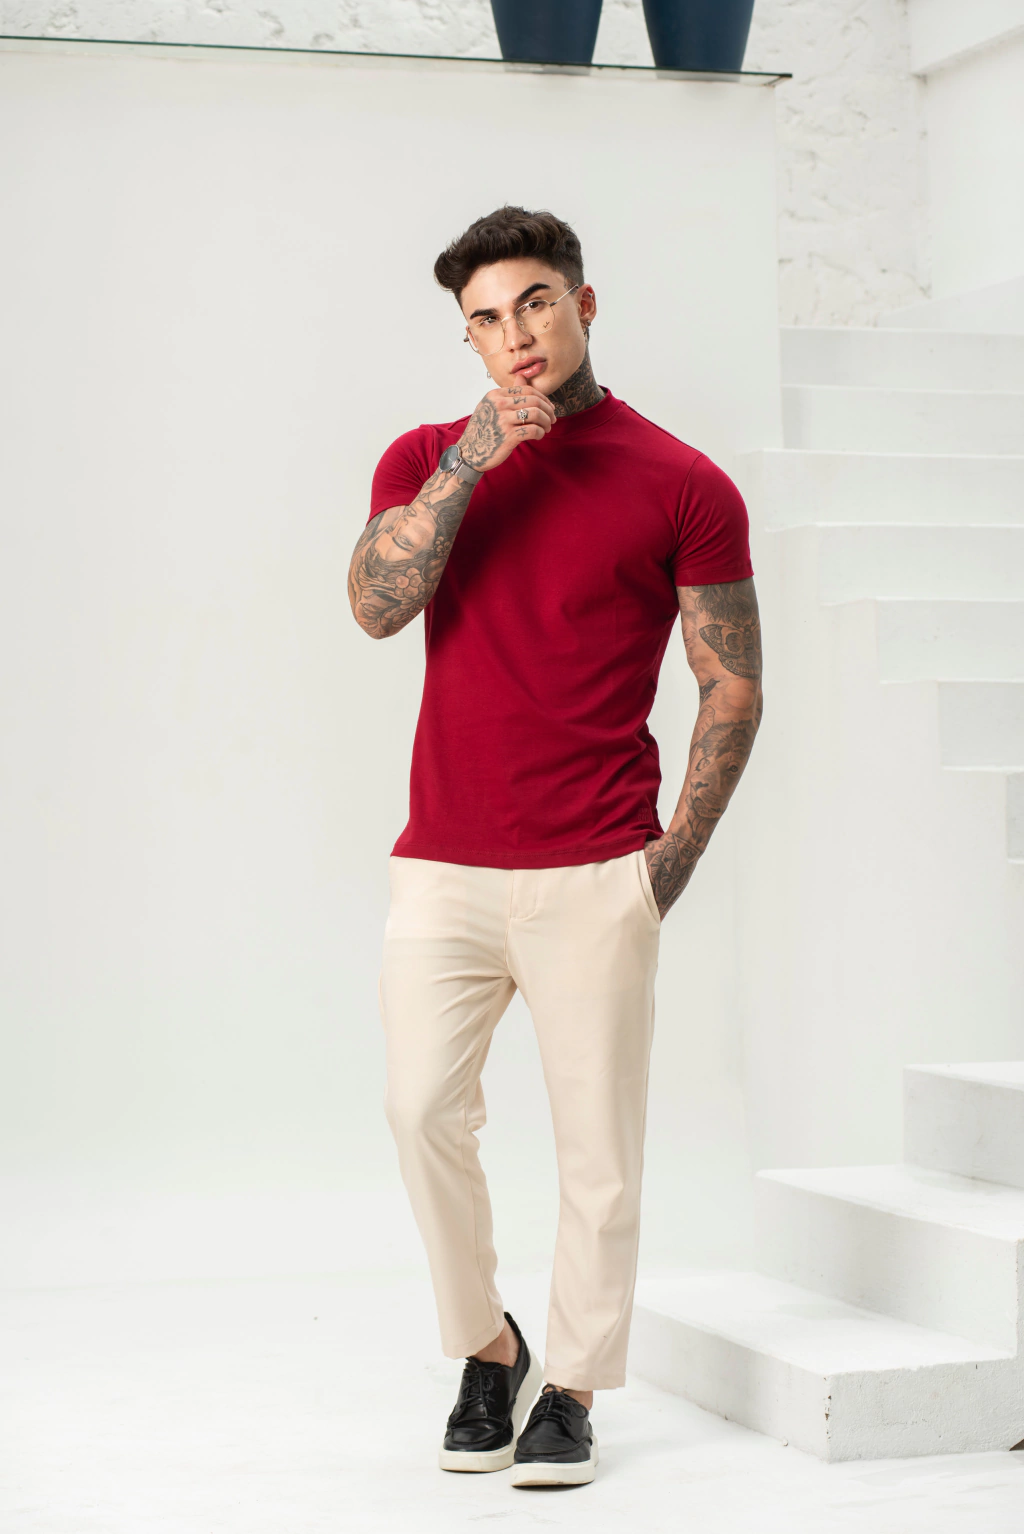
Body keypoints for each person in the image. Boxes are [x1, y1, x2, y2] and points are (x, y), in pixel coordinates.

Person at [347, 205, 763, 1489]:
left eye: (534, 301)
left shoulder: (683, 481)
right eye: (484, 317)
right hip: (445, 860)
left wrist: (662, 867)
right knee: (419, 1109)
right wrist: (472, 462)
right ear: (466, 339)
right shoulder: (425, 456)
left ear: (584, 303)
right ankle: (489, 1344)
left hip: (597, 863)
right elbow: (374, 606)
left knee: (598, 1151)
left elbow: (732, 684)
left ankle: (572, 1384)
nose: (514, 333)